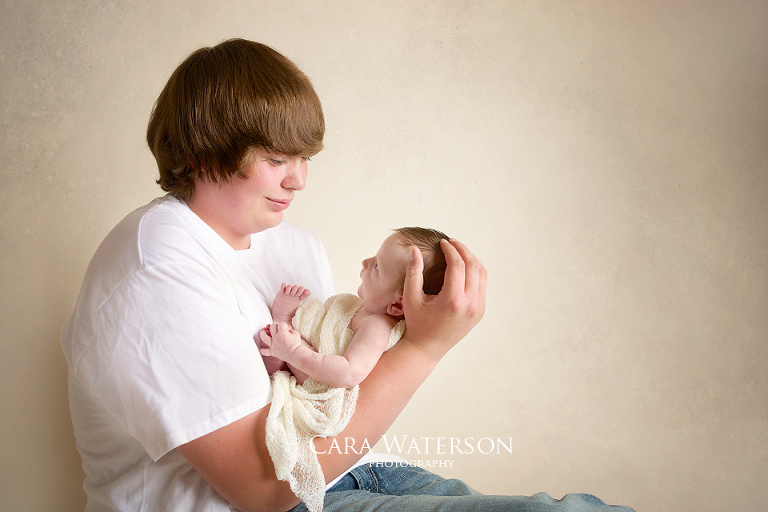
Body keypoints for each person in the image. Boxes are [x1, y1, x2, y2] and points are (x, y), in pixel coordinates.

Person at [60, 39, 634, 512]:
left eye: (304, 157)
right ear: (204, 153)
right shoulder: (156, 263)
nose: (299, 180)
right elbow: (263, 490)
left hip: (363, 475)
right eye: (276, 158)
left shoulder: (293, 246)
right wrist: (425, 350)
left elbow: (329, 397)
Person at [260, 228, 449, 512]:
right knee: (281, 350)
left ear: (398, 303)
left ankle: (283, 342)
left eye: (376, 266)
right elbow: (327, 328)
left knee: (288, 355)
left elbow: (348, 373)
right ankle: (284, 331)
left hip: (324, 388)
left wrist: (295, 352)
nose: (364, 262)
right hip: (306, 367)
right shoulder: (358, 308)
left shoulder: (378, 326)